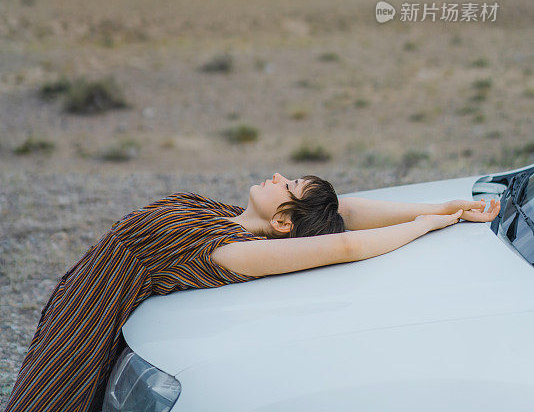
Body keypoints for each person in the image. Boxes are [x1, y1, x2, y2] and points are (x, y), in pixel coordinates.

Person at [4, 172, 500, 412]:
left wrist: (432, 224)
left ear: (283, 222)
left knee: (50, 400)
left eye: (289, 184)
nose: (278, 175)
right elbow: (344, 209)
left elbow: (346, 242)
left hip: (92, 316)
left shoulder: (232, 250)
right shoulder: (226, 218)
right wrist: (442, 203)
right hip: (83, 293)